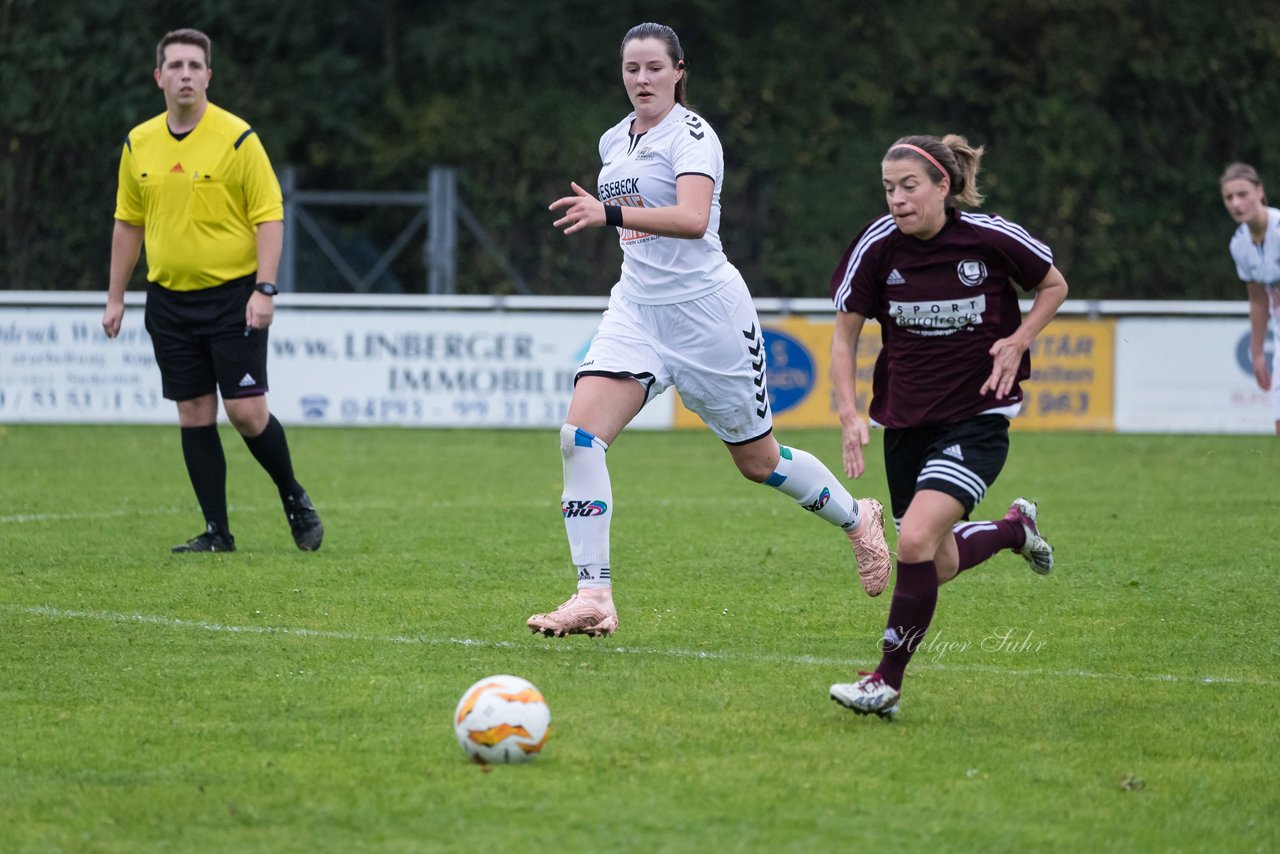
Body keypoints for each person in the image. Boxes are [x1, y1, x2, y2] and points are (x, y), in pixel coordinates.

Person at [526, 22, 891, 638]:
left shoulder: (694, 136)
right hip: (637, 310)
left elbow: (695, 220)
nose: (641, 79)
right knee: (578, 437)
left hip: (707, 317)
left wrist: (607, 211)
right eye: (631, 68)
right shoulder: (614, 139)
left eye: (653, 68)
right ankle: (594, 596)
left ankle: (858, 519)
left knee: (758, 462)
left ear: (678, 72)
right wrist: (612, 217)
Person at [826, 134, 1069, 717]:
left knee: (910, 540)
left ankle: (885, 682)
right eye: (889, 189)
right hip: (906, 421)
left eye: (910, 187)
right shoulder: (878, 244)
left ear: (944, 186)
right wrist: (849, 411)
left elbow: (1054, 284)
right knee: (936, 561)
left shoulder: (989, 237)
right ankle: (1015, 529)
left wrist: (1019, 338)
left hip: (979, 414)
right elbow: (845, 333)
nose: (898, 200)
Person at [101, 28, 322, 553]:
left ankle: (293, 495)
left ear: (208, 76)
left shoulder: (238, 137)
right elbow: (127, 223)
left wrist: (264, 289)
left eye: (194, 66)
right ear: (158, 77)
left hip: (233, 297)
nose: (184, 75)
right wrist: (115, 296)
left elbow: (269, 216)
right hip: (169, 301)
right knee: (194, 412)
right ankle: (217, 533)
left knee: (246, 412)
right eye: (174, 66)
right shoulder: (139, 142)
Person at [1220, 162, 1280, 438]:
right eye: (1229, 197)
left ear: (1260, 191)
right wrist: (1257, 354)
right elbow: (1258, 301)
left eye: (1242, 194)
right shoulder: (1240, 245)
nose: (1236, 203)